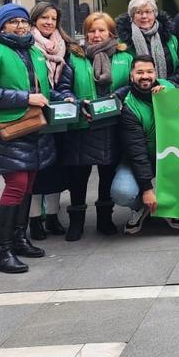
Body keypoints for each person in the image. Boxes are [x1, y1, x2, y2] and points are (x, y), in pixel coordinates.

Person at [0, 3, 74, 274]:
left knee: (27, 184)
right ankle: (1, 251)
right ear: (1, 24)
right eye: (13, 21)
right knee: (16, 184)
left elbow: (44, 90)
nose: (20, 26)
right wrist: (25, 98)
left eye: (23, 21)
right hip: (5, 127)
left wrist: (65, 98)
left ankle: (18, 238)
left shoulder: (31, 50)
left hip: (33, 126)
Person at [62, 12, 129, 240]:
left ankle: (104, 219)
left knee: (107, 174)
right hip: (82, 123)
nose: (96, 35)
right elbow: (63, 86)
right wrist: (77, 102)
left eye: (101, 30)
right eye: (92, 30)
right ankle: (76, 222)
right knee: (78, 176)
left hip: (112, 123)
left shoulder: (124, 56)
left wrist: (117, 96)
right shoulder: (75, 58)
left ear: (111, 32)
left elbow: (132, 84)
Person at [110, 55, 179, 234]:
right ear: (131, 76)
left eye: (150, 72)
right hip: (140, 159)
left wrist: (168, 98)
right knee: (122, 192)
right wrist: (146, 189)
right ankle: (142, 207)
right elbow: (137, 152)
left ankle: (169, 207)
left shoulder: (169, 88)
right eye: (140, 72)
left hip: (171, 159)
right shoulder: (128, 105)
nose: (145, 76)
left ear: (155, 73)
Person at [27, 2, 78, 241]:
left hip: (59, 115)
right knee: (37, 169)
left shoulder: (64, 47)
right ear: (34, 19)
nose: (49, 22)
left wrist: (65, 95)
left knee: (57, 169)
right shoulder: (26, 45)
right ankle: (35, 219)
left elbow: (64, 80)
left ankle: (53, 215)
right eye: (44, 18)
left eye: (53, 18)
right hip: (34, 113)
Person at [115, 0, 179, 84]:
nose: (144, 16)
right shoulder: (122, 44)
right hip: (136, 92)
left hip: (168, 91)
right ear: (131, 17)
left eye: (148, 11)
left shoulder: (171, 39)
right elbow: (120, 74)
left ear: (155, 14)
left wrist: (169, 84)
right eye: (138, 12)